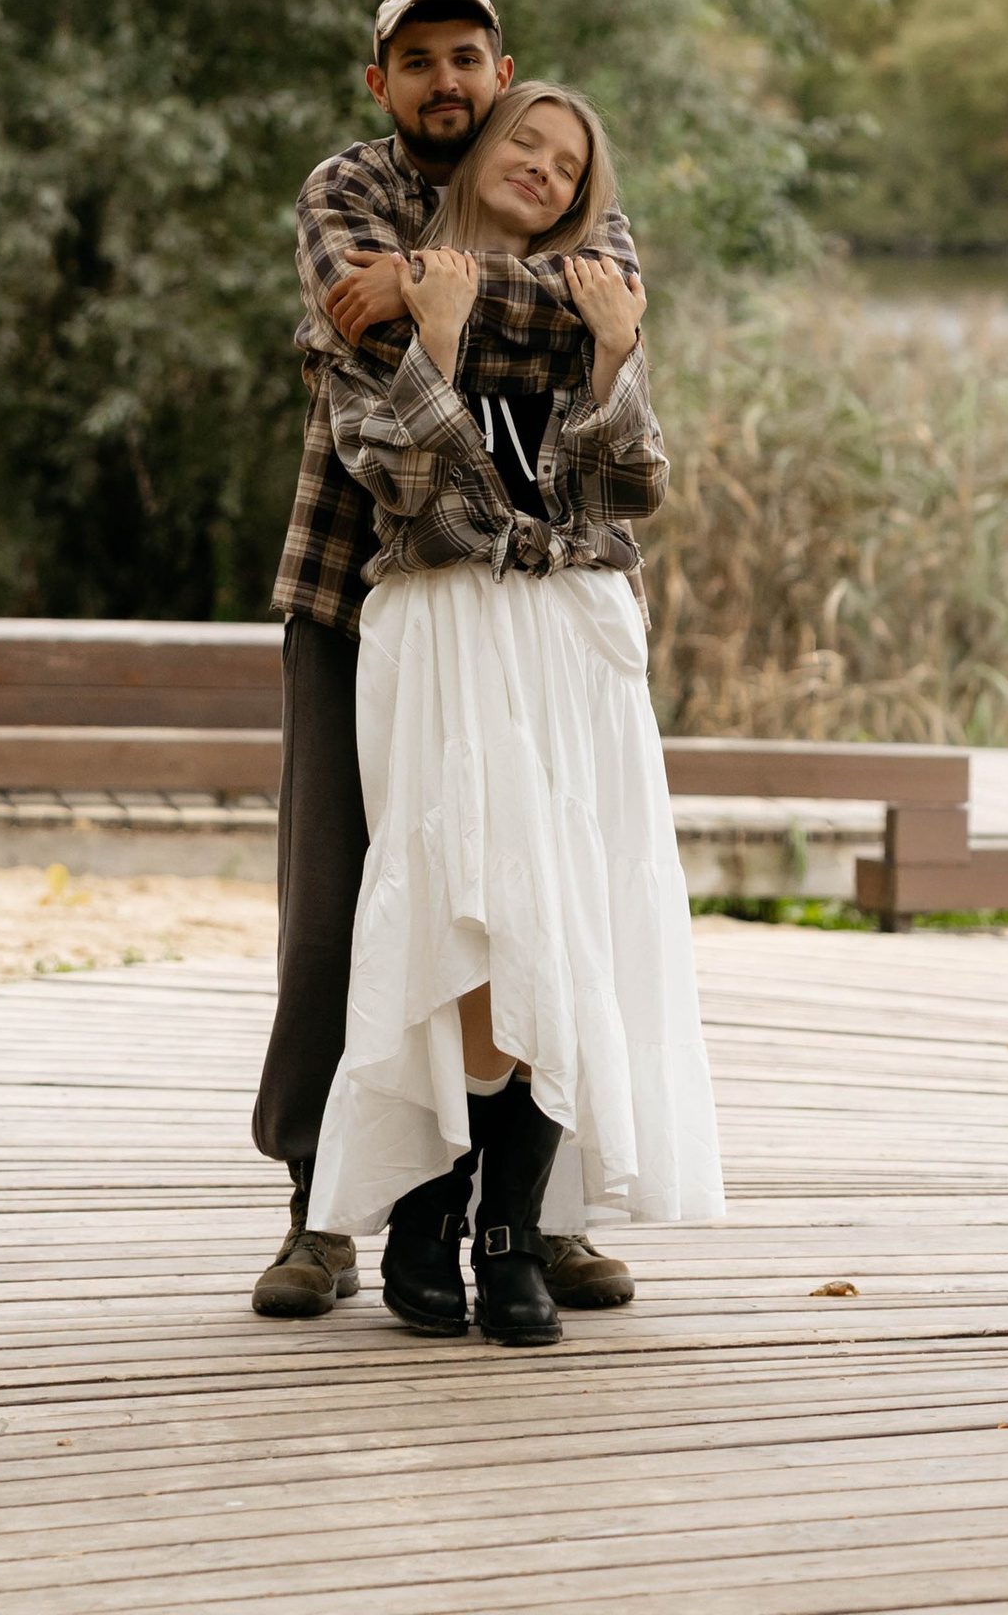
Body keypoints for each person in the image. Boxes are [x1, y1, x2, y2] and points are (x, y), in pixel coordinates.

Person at [251, 0, 648, 1319]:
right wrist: (476, 301)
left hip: (521, 614)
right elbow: (349, 311)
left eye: (466, 57)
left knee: (542, 899)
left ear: (503, 67)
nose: (446, 80)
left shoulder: (551, 166)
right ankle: (320, 1212)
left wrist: (448, 293)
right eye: (416, 60)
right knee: (340, 913)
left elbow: (619, 311)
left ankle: (546, 1212)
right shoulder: (343, 189)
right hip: (353, 593)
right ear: (382, 83)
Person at [304, 81, 724, 1342]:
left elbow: (628, 483)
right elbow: (393, 476)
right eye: (523, 144)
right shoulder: (377, 290)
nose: (541, 168)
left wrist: (608, 355)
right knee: (458, 898)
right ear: (480, 147)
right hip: (439, 628)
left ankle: (511, 1228)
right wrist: (432, 334)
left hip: (569, 634)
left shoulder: (597, 293)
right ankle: (430, 1214)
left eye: (567, 163)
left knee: (568, 904)